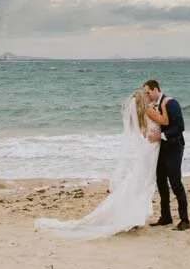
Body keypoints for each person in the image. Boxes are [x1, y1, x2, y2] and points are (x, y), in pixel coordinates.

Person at [34, 89, 161, 239]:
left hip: (147, 152)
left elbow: (145, 133)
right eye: (145, 95)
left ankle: (133, 216)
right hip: (149, 152)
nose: (147, 97)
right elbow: (163, 122)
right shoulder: (148, 113)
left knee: (138, 185)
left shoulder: (140, 118)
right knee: (140, 185)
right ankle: (133, 217)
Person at [143, 78, 189, 231]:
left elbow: (180, 127)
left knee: (175, 183)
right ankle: (166, 216)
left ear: (156, 90)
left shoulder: (171, 103)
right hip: (160, 149)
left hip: (174, 147)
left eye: (148, 93)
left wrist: (161, 136)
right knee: (161, 182)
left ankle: (185, 220)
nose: (147, 96)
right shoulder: (153, 106)